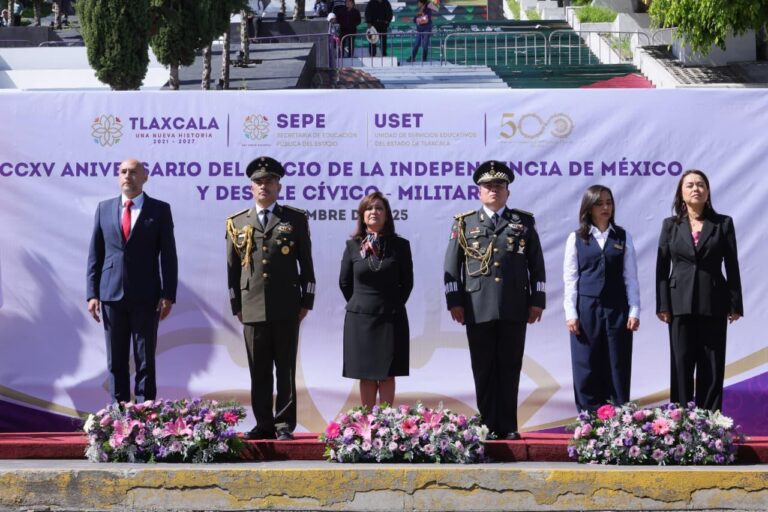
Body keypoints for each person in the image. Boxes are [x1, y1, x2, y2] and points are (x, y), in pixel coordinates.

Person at [443, 160, 546, 440]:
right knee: (484, 367)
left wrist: (537, 299)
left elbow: (536, 264)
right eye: (488, 186)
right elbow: (452, 265)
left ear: (507, 192)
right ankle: (487, 424)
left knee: (510, 366)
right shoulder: (464, 223)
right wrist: (455, 301)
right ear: (479, 191)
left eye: (499, 186)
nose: (493, 191)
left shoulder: (523, 222)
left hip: (514, 305)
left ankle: (509, 425)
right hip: (477, 306)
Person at [226, 156, 316, 440]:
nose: (263, 186)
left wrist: (306, 302)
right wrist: (236, 305)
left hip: (287, 305)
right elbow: (231, 270)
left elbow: (307, 265)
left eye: (269, 181)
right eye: (258, 182)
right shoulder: (237, 222)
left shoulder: (295, 219)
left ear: (279, 186)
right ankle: (263, 423)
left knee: (285, 370)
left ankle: (283, 425)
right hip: (251, 307)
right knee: (259, 370)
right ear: (251, 187)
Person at [86, 158, 178, 404]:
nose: (128, 176)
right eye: (123, 172)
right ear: (118, 176)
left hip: (146, 296)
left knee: (145, 357)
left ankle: (145, 412)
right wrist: (92, 294)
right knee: (115, 359)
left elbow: (168, 255)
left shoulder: (159, 209)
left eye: (134, 172)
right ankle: (118, 412)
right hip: (110, 294)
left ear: (145, 177)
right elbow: (96, 253)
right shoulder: (104, 208)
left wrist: (168, 294)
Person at [656, 169, 743, 411]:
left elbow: (732, 265)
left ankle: (710, 424)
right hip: (678, 304)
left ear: (708, 191)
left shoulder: (723, 223)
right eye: (690, 185)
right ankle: (680, 422)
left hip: (713, 301)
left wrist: (735, 303)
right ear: (681, 194)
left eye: (701, 185)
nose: (696, 189)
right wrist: (662, 305)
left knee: (712, 365)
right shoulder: (670, 225)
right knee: (681, 364)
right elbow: (661, 269)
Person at [563, 185, 640, 413]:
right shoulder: (576, 238)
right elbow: (570, 279)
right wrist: (571, 313)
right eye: (599, 203)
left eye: (609, 202)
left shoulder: (623, 236)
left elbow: (631, 277)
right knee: (586, 364)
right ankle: (588, 420)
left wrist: (634, 310)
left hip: (617, 308)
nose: (605, 207)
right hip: (586, 308)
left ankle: (618, 420)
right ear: (589, 207)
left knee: (617, 363)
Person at [339, 192, 413, 409]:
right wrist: (362, 304)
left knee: (388, 373)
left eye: (379, 208)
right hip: (360, 318)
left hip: (391, 316)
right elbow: (345, 283)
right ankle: (367, 421)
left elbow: (406, 283)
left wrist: (390, 304)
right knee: (367, 374)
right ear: (362, 216)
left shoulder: (400, 245)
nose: (374, 212)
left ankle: (386, 424)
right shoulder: (352, 245)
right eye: (369, 209)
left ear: (387, 215)